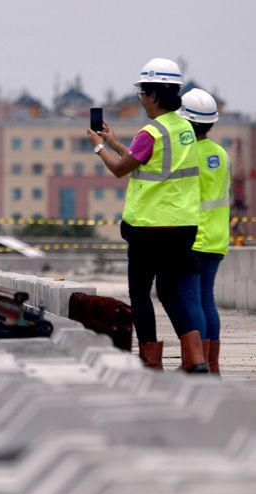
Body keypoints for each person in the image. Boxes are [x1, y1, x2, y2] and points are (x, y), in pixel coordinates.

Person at [88, 57, 207, 373]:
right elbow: (150, 162)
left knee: (141, 294)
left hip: (149, 228)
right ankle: (195, 359)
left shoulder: (150, 132)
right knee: (170, 292)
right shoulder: (185, 129)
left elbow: (120, 170)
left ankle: (151, 362)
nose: (140, 98)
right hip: (183, 226)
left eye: (142, 93)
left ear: (153, 95)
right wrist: (114, 141)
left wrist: (100, 148)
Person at [178, 88, 230, 374]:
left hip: (194, 238)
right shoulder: (221, 154)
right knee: (207, 300)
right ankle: (212, 364)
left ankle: (195, 362)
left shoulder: (187, 154)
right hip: (217, 237)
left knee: (192, 300)